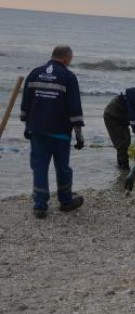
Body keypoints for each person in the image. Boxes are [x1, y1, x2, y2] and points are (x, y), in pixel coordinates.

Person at [20, 45, 85, 219]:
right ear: (65, 58)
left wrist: (27, 125)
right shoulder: (68, 77)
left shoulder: (34, 73)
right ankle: (65, 201)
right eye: (70, 59)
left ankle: (40, 206)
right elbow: (74, 106)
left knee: (39, 167)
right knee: (62, 167)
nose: (70, 62)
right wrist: (78, 133)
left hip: (37, 130)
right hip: (59, 132)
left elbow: (26, 102)